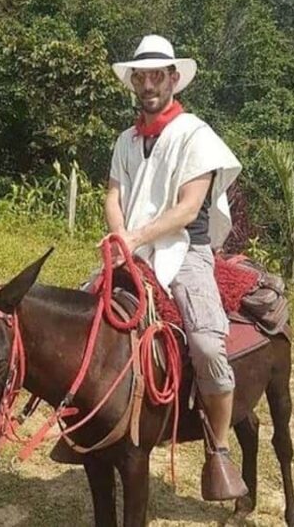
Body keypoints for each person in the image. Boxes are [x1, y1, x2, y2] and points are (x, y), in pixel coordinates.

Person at [105, 35, 246, 499]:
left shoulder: (195, 135)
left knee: (206, 343)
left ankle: (219, 448)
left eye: (156, 76)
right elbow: (113, 195)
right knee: (85, 317)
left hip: (185, 251)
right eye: (140, 77)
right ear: (133, 82)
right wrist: (122, 239)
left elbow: (187, 209)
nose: (148, 85)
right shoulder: (126, 141)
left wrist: (135, 237)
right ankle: (89, 422)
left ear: (172, 78)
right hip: (134, 249)